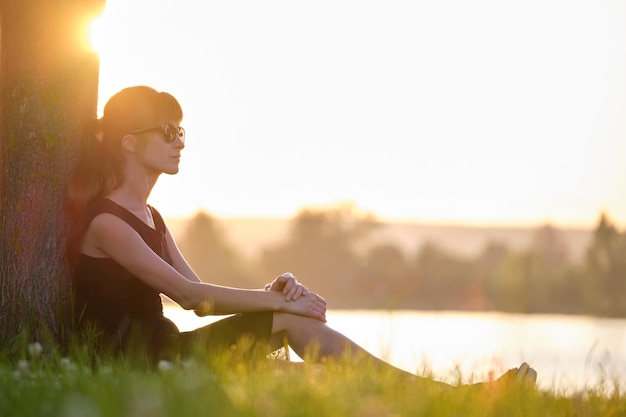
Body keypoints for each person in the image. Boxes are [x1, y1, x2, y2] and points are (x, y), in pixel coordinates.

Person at [66, 85, 536, 390]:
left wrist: (273, 293)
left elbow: (203, 302)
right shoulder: (107, 222)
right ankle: (455, 397)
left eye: (182, 131)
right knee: (292, 330)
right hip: (135, 363)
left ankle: (445, 399)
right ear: (128, 142)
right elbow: (188, 295)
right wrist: (281, 308)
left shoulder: (151, 216)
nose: (180, 142)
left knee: (298, 375)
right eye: (167, 131)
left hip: (164, 352)